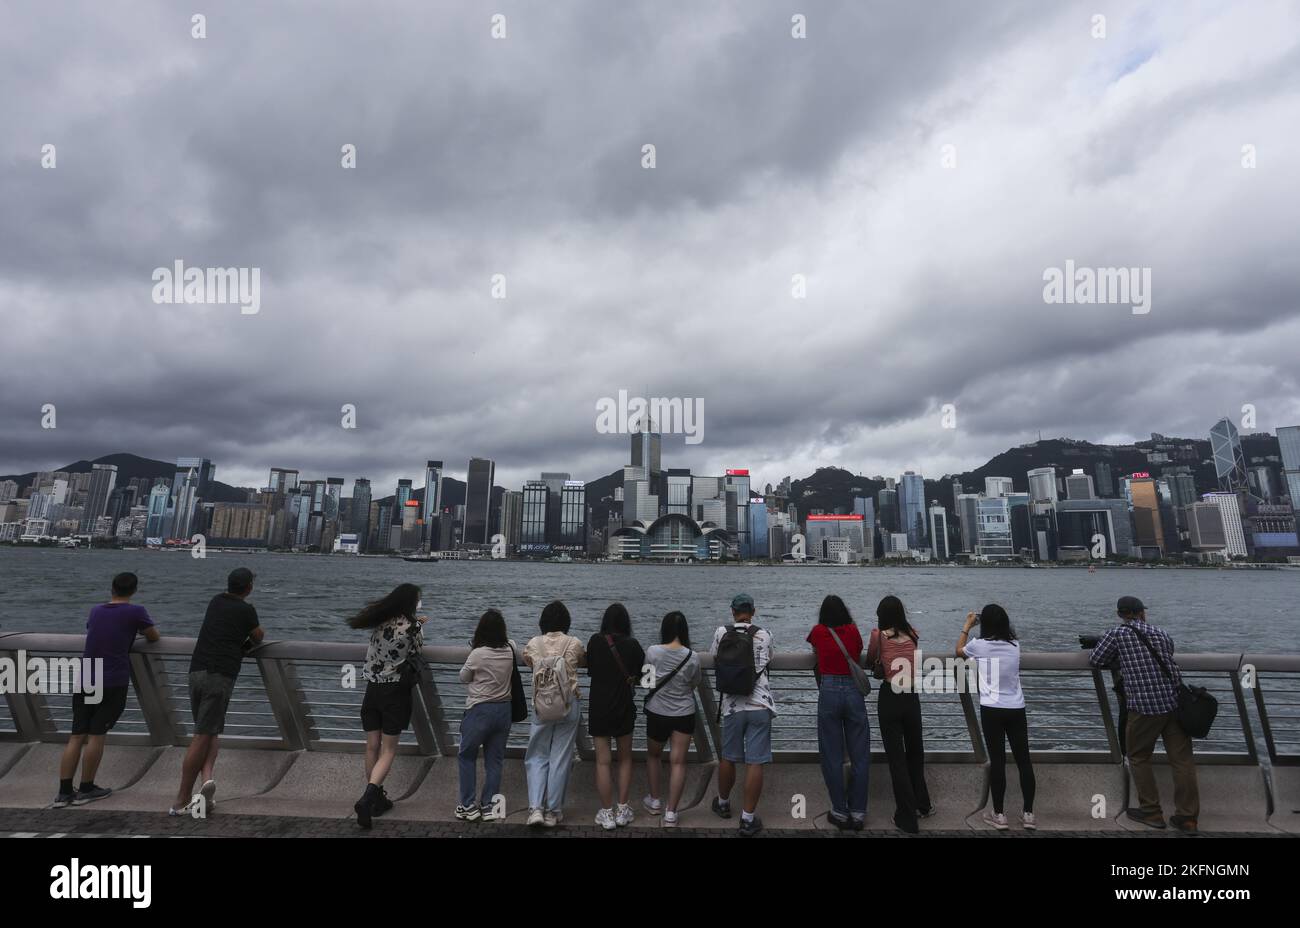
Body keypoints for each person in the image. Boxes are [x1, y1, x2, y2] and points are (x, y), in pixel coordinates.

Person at [1089, 596, 1200, 833]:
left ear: (1120, 614)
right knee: (1182, 761)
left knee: (1138, 756)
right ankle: (1188, 817)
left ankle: (1151, 812)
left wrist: (1120, 658)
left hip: (1144, 706)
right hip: (1174, 703)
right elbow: (1168, 652)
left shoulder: (1116, 634)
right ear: (1142, 613)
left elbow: (1096, 660)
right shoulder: (1160, 632)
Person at [54, 572, 160, 808]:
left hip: (85, 677)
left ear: (111, 588)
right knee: (96, 735)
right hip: (112, 680)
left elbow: (94, 629)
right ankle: (87, 787)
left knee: (76, 735)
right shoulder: (136, 612)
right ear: (133, 590)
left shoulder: (96, 610)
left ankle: (63, 792)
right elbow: (153, 636)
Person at [171, 567, 262, 816]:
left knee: (209, 731)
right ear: (248, 588)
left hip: (196, 671)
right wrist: (245, 645)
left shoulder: (215, 601)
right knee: (202, 734)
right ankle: (181, 800)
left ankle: (206, 786)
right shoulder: (246, 610)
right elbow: (258, 636)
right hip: (219, 675)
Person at [348, 583, 428, 828]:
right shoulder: (413, 628)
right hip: (395, 692)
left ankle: (376, 800)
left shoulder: (379, 621)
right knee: (389, 749)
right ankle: (369, 796)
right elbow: (416, 650)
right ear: (411, 603)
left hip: (372, 689)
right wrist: (420, 625)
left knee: (372, 746)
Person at [957, 604, 1036, 830]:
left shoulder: (979, 645)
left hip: (992, 708)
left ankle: (999, 815)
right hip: (1016, 708)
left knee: (998, 761)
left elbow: (958, 651)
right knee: (1024, 760)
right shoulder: (1014, 645)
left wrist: (967, 625)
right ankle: (1029, 814)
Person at [866, 594, 932, 833]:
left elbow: (872, 658)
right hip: (912, 697)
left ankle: (906, 816)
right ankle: (923, 805)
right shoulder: (914, 633)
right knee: (916, 753)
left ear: (882, 616)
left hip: (890, 696)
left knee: (897, 759)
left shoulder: (878, 636)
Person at [710, 592, 775, 837]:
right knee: (755, 761)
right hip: (759, 705)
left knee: (728, 756)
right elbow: (769, 659)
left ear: (733, 611)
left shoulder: (721, 633)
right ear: (753, 611)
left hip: (732, 706)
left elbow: (715, 658)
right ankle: (748, 819)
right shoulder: (765, 634)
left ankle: (723, 803)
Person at [806, 594, 870, 830]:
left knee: (831, 754)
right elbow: (859, 650)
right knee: (860, 754)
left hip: (829, 690)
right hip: (853, 691)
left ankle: (840, 811)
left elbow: (814, 648)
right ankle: (859, 812)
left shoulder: (818, 631)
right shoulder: (853, 630)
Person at [522, 600, 586, 828]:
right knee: (561, 756)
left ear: (542, 622)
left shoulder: (533, 643)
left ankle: (535, 809)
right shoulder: (574, 643)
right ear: (566, 622)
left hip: (542, 704)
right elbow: (582, 661)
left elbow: (528, 662)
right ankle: (553, 811)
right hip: (568, 704)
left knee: (537, 755)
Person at [585, 603, 645, 829]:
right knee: (625, 759)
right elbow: (643, 677)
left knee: (603, 761)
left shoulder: (595, 641)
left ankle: (606, 812)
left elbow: (590, 669)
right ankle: (622, 809)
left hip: (599, 707)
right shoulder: (633, 645)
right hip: (623, 706)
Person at [456, 609, 517, 822]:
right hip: (503, 711)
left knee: (466, 755)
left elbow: (463, 678)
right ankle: (489, 805)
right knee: (495, 761)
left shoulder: (477, 654)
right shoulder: (510, 649)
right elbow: (511, 642)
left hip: (479, 710)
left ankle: (467, 805)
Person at [642, 610, 701, 828]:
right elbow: (695, 682)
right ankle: (671, 813)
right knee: (678, 762)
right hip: (683, 713)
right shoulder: (692, 656)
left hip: (657, 711)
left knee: (654, 755)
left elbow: (647, 682)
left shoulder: (653, 651)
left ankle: (655, 801)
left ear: (664, 629)